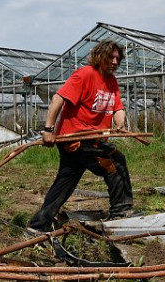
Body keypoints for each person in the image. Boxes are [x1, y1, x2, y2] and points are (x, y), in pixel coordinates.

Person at [28, 40, 134, 232]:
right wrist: (49, 130)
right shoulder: (85, 74)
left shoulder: (111, 81)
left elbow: (117, 107)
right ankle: (121, 211)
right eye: (111, 57)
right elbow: (57, 98)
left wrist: (120, 124)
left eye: (118, 58)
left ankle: (39, 224)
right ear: (100, 56)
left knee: (66, 180)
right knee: (115, 161)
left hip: (93, 139)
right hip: (75, 138)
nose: (115, 61)